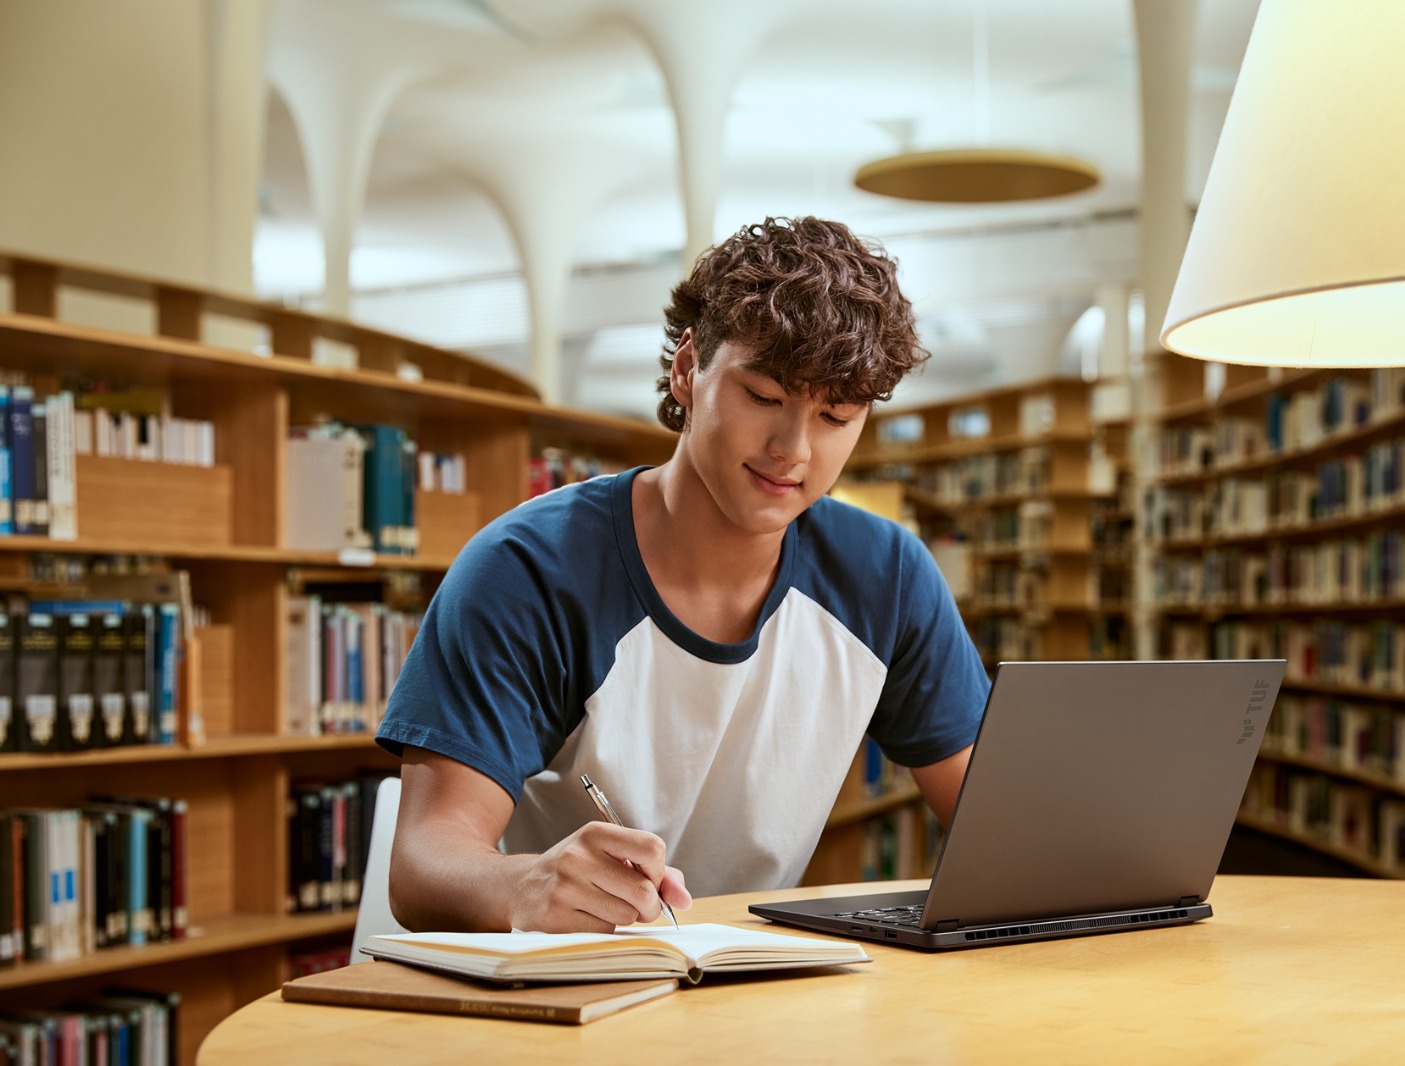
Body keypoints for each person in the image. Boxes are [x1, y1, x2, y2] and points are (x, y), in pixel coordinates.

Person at [376, 216, 990, 933]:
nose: (793, 449)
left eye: (835, 416)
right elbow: (422, 865)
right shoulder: (526, 571)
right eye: (764, 397)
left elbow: (1001, 831)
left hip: (759, 984)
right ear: (687, 368)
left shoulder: (888, 577)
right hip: (563, 977)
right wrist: (523, 885)